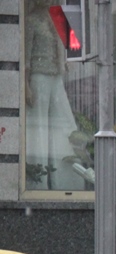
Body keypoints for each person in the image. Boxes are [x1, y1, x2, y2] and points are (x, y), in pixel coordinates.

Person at [24, 0, 81, 190]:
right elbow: (25, 56)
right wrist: (25, 85)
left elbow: (73, 45)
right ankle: (37, 183)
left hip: (56, 77)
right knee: (38, 128)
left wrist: (68, 59)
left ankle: (66, 181)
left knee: (64, 124)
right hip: (38, 77)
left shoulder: (58, 15)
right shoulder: (31, 20)